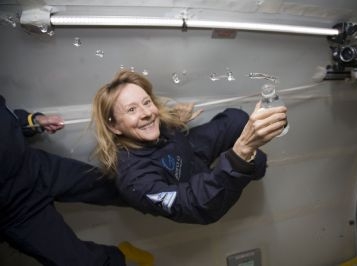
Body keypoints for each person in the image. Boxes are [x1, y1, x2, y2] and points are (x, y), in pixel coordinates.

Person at [92, 70, 288, 224]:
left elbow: (155, 118)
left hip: (189, 151)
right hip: (185, 184)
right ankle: (248, 166)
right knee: (254, 161)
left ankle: (241, 165)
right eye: (131, 109)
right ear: (114, 126)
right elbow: (196, 206)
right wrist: (242, 152)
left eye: (147, 102)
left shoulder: (151, 123)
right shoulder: (134, 180)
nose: (147, 113)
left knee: (236, 119)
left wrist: (175, 121)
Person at [0, 95, 155, 266]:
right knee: (81, 262)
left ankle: (169, 192)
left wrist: (33, 121)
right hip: (15, 208)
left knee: (120, 187)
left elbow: (7, 117)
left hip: (36, 166)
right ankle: (119, 259)